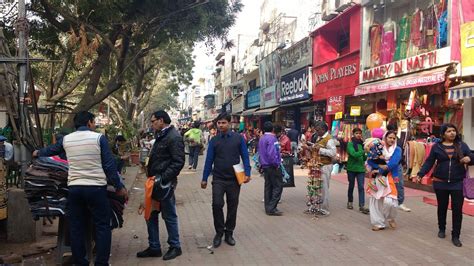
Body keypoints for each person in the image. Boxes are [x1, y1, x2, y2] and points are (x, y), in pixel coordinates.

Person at [33, 111, 128, 265]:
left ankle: (81, 262)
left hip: (75, 189)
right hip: (96, 189)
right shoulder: (98, 138)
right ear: (89, 122)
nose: (95, 124)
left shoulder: (66, 139)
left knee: (76, 227)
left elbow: (51, 150)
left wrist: (38, 152)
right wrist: (119, 186)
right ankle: (101, 263)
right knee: (102, 225)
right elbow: (109, 166)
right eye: (94, 121)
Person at [136, 111, 185, 260]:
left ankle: (175, 246)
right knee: (150, 215)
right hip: (154, 183)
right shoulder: (162, 135)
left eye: (153, 121)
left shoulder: (174, 137)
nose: (151, 123)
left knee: (169, 215)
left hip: (164, 184)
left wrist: (163, 179)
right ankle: (154, 246)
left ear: (161, 120)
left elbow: (178, 162)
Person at [416, 124, 473, 247]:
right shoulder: (437, 147)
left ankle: (456, 235)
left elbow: (472, 156)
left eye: (454, 131)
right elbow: (429, 162)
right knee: (442, 207)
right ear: (443, 134)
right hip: (440, 182)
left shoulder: (462, 145)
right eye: (449, 131)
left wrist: (469, 158)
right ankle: (442, 228)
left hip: (458, 182)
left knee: (457, 209)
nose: (452, 133)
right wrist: (420, 174)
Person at [201, 112, 251, 248]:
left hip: (235, 179)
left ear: (229, 124)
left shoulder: (238, 139)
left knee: (232, 206)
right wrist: (204, 178)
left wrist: (248, 172)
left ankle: (229, 233)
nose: (221, 125)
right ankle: (219, 232)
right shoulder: (214, 141)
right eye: (219, 123)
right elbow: (209, 160)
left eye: (224, 122)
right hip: (218, 178)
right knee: (217, 204)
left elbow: (245, 156)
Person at [366, 130, 401, 231]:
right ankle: (378, 223)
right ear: (385, 138)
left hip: (389, 176)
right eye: (390, 137)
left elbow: (394, 163)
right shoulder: (378, 147)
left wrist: (379, 169)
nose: (392, 140)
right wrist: (376, 166)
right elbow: (370, 160)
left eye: (394, 138)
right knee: (376, 200)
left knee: (391, 202)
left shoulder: (397, 149)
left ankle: (391, 218)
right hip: (377, 177)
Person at [306, 121, 337, 216]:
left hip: (325, 166)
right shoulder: (319, 137)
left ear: (323, 130)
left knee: (324, 188)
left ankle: (324, 209)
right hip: (318, 165)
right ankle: (317, 206)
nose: (316, 132)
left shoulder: (329, 139)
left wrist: (319, 149)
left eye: (318, 130)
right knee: (317, 187)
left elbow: (332, 153)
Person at [259, 122, 284, 216]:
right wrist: (277, 164)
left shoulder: (262, 138)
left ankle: (268, 207)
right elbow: (272, 154)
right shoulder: (273, 139)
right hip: (272, 166)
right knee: (278, 186)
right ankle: (272, 207)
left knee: (268, 186)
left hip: (265, 166)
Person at [386, 124, 411, 212]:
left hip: (396, 165)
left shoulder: (398, 141)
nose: (392, 139)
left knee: (398, 183)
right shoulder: (383, 142)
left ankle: (399, 202)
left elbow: (400, 153)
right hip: (387, 166)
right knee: (387, 183)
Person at [346, 128, 369, 214]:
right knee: (351, 186)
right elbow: (354, 154)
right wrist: (363, 152)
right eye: (356, 133)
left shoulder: (362, 145)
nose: (358, 135)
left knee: (361, 187)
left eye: (360, 133)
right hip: (351, 168)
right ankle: (350, 201)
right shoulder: (350, 144)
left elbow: (364, 158)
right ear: (353, 134)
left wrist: (367, 153)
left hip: (360, 169)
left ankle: (362, 206)